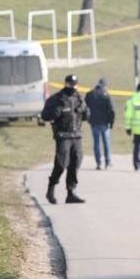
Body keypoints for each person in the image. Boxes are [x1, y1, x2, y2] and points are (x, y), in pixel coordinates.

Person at [41, 74, 89, 204]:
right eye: (70, 84)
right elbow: (44, 115)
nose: (73, 87)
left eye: (75, 85)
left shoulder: (79, 98)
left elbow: (85, 115)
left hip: (77, 135)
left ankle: (71, 192)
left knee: (76, 163)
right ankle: (51, 188)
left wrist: (86, 111)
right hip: (63, 135)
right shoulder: (56, 99)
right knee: (61, 164)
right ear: (65, 84)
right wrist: (54, 113)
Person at [84, 76, 115, 170]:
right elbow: (111, 110)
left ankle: (98, 163)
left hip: (94, 122)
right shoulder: (106, 95)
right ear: (105, 86)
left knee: (96, 143)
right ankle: (107, 162)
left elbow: (85, 107)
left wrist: (88, 118)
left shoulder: (90, 94)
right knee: (106, 143)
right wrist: (111, 122)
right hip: (105, 123)